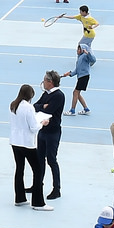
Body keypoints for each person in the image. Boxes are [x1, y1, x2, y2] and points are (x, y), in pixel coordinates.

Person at [8, 84, 49, 210]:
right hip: (27, 143)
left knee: (19, 169)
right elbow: (33, 127)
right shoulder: (29, 108)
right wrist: (42, 123)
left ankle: (19, 198)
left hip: (15, 142)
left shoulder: (13, 105)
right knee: (38, 170)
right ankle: (38, 203)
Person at [34, 70, 65, 201]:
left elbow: (49, 110)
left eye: (44, 80)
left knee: (51, 160)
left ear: (50, 82)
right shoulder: (46, 94)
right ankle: (37, 184)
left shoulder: (58, 95)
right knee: (39, 159)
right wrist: (43, 106)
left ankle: (56, 189)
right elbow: (36, 106)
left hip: (52, 132)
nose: (43, 82)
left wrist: (42, 107)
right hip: (43, 131)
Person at [69, 36, 95, 115]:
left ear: (82, 50)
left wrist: (88, 53)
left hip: (84, 77)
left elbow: (93, 60)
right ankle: (86, 109)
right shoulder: (79, 58)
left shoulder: (85, 56)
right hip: (81, 77)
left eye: (79, 49)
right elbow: (77, 70)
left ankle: (72, 111)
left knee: (75, 92)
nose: (77, 50)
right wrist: (70, 74)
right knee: (77, 93)